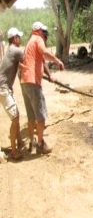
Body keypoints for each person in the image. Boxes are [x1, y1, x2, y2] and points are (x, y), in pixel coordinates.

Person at [20, 21, 64, 154]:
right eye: (43, 32)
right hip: (33, 83)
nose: (45, 35)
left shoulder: (30, 42)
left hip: (24, 82)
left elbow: (42, 62)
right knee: (41, 116)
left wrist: (50, 76)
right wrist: (58, 61)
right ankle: (40, 144)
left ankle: (31, 142)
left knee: (31, 115)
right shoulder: (38, 39)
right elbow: (45, 53)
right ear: (38, 31)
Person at [0, 27, 24, 160]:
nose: (20, 39)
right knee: (15, 118)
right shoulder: (15, 50)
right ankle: (14, 151)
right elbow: (27, 62)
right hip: (3, 88)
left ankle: (19, 141)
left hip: (3, 87)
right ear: (15, 38)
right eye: (19, 37)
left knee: (17, 114)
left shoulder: (10, 49)